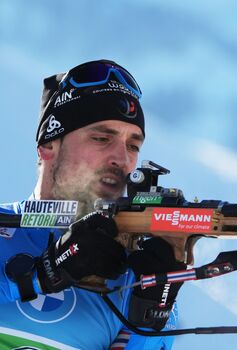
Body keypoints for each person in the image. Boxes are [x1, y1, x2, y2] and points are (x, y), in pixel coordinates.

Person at [0, 60, 184, 349]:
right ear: (48, 145)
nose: (122, 159)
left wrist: (151, 313)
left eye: (133, 146)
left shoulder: (127, 275)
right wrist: (41, 275)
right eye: (101, 138)